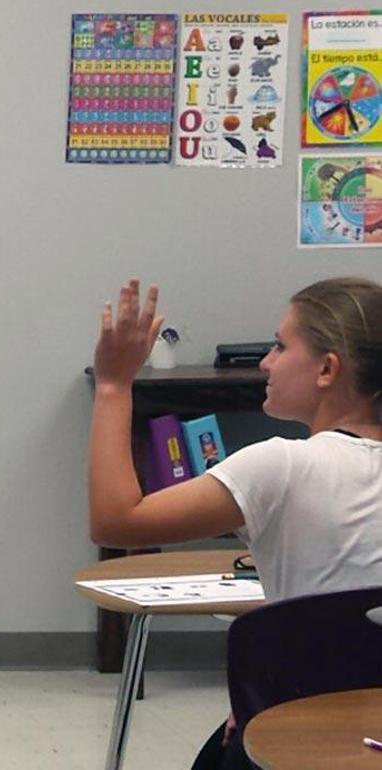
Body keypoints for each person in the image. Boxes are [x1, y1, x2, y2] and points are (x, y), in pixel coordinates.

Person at [88, 277, 382, 769]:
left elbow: (116, 521)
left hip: (309, 722)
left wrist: (115, 386)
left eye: (281, 346)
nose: (265, 361)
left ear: (328, 369)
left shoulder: (281, 466)